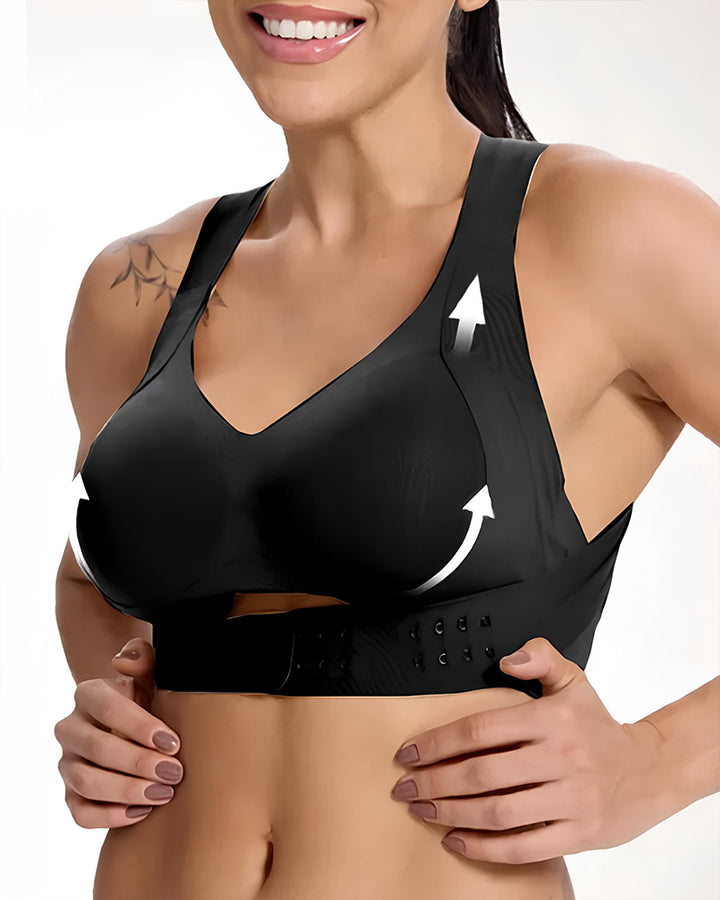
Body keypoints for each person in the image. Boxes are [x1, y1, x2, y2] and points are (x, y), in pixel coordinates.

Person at [53, 1, 720, 898]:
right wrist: (113, 708)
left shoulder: (605, 230)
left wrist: (656, 764)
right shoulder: (139, 284)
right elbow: (88, 579)